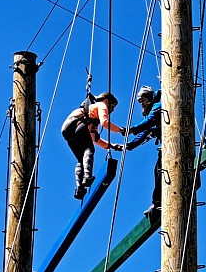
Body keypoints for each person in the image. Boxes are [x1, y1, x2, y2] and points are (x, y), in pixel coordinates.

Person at [61, 91, 125, 200]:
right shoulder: (101, 105)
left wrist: (112, 146)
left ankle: (80, 189)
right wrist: (120, 130)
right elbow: (105, 122)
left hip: (67, 129)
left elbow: (95, 139)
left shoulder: (90, 116)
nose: (112, 110)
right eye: (112, 106)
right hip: (77, 124)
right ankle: (87, 176)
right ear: (106, 101)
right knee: (89, 149)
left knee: (81, 159)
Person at [116, 85, 162, 217]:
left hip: (171, 143)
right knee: (158, 171)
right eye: (140, 101)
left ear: (149, 97)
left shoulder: (158, 105)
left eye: (143, 100)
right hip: (165, 144)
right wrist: (128, 145)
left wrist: (131, 130)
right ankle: (157, 202)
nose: (142, 103)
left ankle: (158, 202)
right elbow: (146, 131)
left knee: (160, 170)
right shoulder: (152, 109)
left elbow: (150, 121)